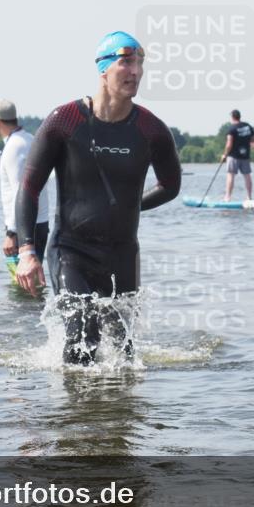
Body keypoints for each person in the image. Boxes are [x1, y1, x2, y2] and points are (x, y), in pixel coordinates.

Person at [14, 30, 182, 365]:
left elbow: (170, 185)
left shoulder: (151, 130)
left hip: (122, 253)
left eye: (140, 63)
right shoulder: (65, 121)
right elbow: (29, 188)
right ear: (103, 69)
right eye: (125, 62)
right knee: (82, 339)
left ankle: (117, 417)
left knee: (124, 351)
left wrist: (132, 205)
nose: (135, 71)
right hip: (71, 250)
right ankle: (75, 417)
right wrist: (26, 250)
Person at [0, 98, 50, 264]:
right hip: (37, 223)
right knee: (31, 283)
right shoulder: (29, 139)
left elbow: (20, 192)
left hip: (25, 227)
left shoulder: (14, 147)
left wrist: (12, 233)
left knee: (22, 285)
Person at [221, 109, 254, 201]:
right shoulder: (247, 126)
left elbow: (229, 144)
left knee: (231, 175)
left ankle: (227, 197)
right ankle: (249, 197)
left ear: (232, 117)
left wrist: (224, 155)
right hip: (245, 156)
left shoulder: (231, 129)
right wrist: (252, 145)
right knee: (247, 175)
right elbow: (253, 141)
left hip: (233, 156)